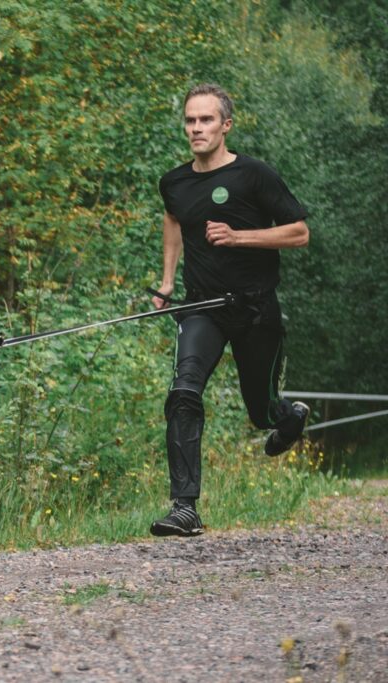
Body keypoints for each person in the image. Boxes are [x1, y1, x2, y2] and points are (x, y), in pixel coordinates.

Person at [149, 83, 311, 537]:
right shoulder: (174, 182)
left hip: (257, 310)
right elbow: (174, 218)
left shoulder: (254, 175)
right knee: (183, 392)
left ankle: (289, 416)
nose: (196, 128)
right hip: (203, 308)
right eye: (190, 120)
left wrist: (240, 237)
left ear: (226, 125)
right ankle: (185, 508)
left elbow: (299, 233)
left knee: (260, 412)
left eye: (205, 120)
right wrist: (166, 282)